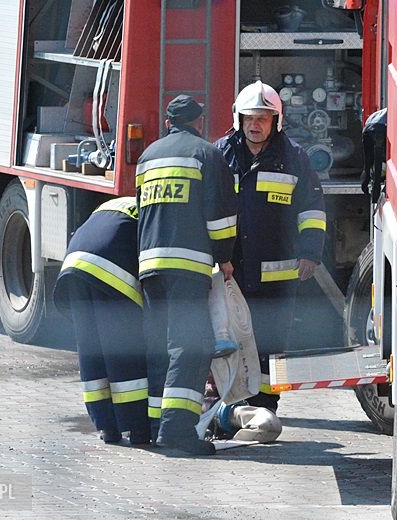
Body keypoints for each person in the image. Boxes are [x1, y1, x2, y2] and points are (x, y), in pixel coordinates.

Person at [215, 80, 326, 413]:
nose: (255, 125)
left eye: (263, 118)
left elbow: (312, 210)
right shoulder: (221, 154)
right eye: (250, 117)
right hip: (230, 270)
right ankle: (231, 406)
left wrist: (310, 252)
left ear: (276, 121)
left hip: (276, 273)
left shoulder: (293, 158)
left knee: (271, 344)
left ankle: (265, 406)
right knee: (229, 339)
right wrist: (217, 257)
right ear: (239, 119)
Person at [136, 95, 237, 456]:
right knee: (191, 346)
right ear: (200, 120)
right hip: (189, 268)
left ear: (167, 122)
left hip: (149, 266)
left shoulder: (148, 157)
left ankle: (151, 424)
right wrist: (225, 259)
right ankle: (177, 431)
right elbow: (221, 219)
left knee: (160, 346)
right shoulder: (207, 155)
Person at [53, 197, 150, 445]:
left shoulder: (121, 204)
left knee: (91, 350)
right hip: (110, 269)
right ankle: (139, 429)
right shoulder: (155, 214)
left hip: (74, 266)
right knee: (123, 352)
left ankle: (107, 427)